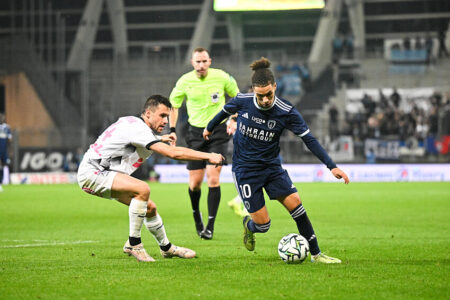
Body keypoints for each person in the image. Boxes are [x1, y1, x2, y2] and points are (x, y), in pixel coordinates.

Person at [203, 58, 350, 264]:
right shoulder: (242, 101)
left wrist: (332, 166)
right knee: (263, 225)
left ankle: (316, 254)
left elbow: (309, 139)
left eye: (269, 94)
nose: (265, 100)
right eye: (260, 96)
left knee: (297, 206)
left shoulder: (286, 111)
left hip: (272, 168)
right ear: (254, 90)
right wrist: (209, 128)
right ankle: (249, 225)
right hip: (245, 170)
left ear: (275, 87)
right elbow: (223, 113)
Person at [77, 95, 224, 262]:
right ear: (148, 114)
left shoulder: (131, 122)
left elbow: (126, 138)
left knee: (149, 208)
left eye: (167, 117)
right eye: (162, 116)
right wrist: (208, 156)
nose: (166, 121)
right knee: (143, 189)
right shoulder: (139, 130)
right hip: (95, 172)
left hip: (96, 172)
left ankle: (166, 248)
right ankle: (134, 244)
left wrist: (159, 138)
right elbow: (173, 153)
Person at [169, 47, 241, 239]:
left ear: (210, 61)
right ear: (192, 63)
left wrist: (233, 119)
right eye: (197, 62)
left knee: (213, 178)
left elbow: (238, 98)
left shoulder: (222, 77)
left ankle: (210, 226)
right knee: (194, 184)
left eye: (204, 61)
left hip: (218, 132)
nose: (201, 65)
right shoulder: (184, 81)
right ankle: (197, 219)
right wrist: (173, 130)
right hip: (195, 134)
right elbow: (174, 106)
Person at [0, 113, 12, 191]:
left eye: (2, 117)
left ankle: (2, 182)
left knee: (4, 165)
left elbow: (10, 139)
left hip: (4, 150)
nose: (1, 119)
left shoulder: (7, 128)